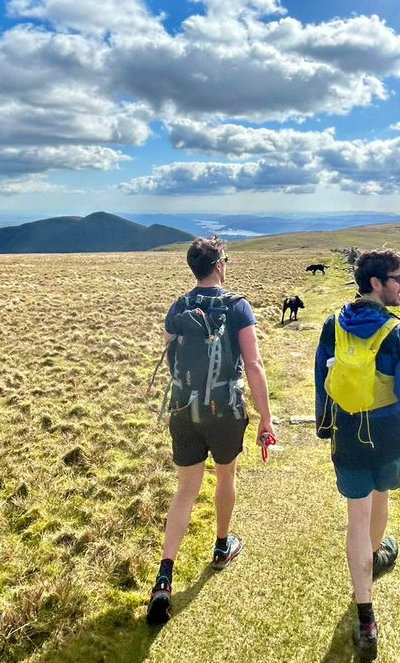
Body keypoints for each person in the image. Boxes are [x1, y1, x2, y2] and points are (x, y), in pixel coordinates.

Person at [314, 248, 400, 662]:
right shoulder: (398, 334)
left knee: (357, 515)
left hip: (347, 434)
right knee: (381, 500)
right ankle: (374, 556)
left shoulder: (332, 324)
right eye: (399, 278)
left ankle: (365, 616)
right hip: (387, 436)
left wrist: (323, 425)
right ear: (376, 283)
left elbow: (322, 378)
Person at [147, 236, 274, 625]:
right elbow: (253, 365)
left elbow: (171, 358)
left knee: (186, 489)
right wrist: (266, 419)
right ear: (219, 264)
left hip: (184, 409)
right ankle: (221, 547)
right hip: (225, 410)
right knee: (225, 476)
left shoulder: (177, 306)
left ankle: (164, 577)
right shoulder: (238, 306)